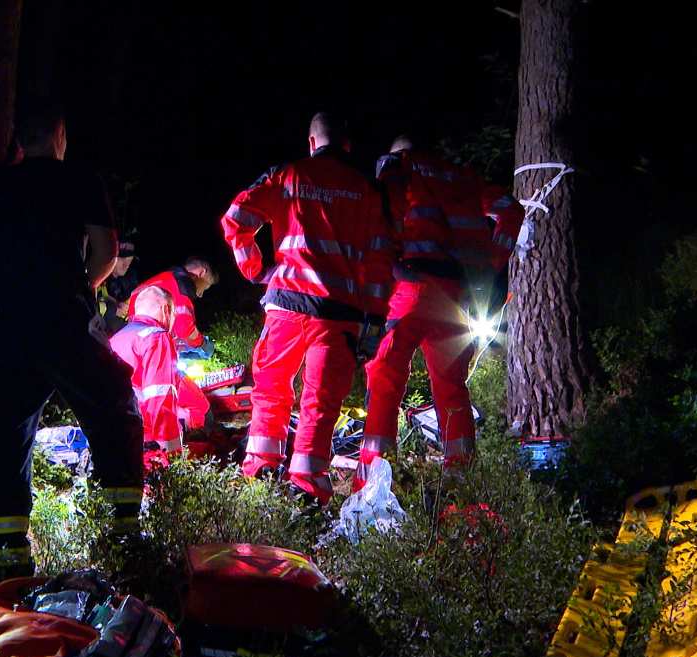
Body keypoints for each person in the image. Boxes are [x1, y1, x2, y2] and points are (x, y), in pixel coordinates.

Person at [0, 100, 144, 581]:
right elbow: (105, 251)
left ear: (20, 138)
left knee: (4, 430)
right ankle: (123, 536)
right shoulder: (81, 180)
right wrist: (80, 288)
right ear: (60, 137)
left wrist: (8, 288)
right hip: (65, 318)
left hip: (7, 324)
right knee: (113, 405)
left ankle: (3, 558)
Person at [220, 112, 394, 505]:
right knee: (320, 401)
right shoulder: (367, 189)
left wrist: (255, 269)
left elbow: (235, 219)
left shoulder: (288, 174)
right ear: (346, 146)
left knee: (270, 388)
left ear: (312, 143)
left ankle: (261, 471)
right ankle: (307, 487)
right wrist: (375, 318)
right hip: (338, 315)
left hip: (286, 305)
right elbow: (381, 262)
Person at [356, 135, 524, 489]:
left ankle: (375, 478)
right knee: (452, 388)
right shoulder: (462, 176)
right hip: (456, 294)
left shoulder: (399, 167)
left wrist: (388, 269)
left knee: (385, 377)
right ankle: (461, 478)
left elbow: (379, 218)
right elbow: (511, 209)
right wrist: (492, 264)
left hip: (412, 286)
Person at [109, 285, 209, 470]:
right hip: (143, 438)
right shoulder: (156, 337)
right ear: (166, 310)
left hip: (111, 432)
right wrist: (172, 457)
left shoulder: (116, 338)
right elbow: (160, 398)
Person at [127, 257, 217, 357]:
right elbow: (184, 327)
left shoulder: (163, 279)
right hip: (151, 347)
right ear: (202, 272)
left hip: (132, 343)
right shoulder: (182, 283)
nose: (200, 294)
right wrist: (202, 343)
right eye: (206, 286)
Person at [97, 239, 138, 334]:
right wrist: (114, 309)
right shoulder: (98, 277)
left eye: (130, 260)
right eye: (122, 259)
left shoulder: (131, 277)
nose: (126, 265)